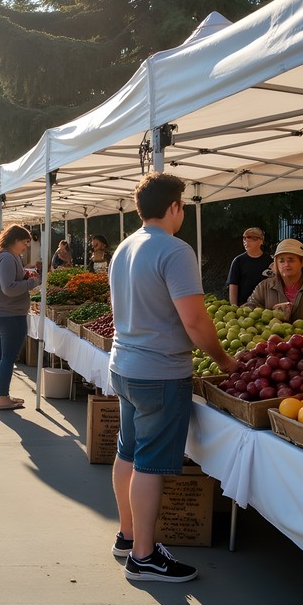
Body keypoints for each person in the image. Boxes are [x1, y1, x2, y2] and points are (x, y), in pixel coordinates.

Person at [109, 173, 238, 583]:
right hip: (159, 372)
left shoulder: (124, 248)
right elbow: (196, 321)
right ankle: (144, 558)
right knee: (149, 463)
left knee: (128, 452)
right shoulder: (176, 250)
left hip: (124, 366)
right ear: (175, 207)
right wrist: (225, 360)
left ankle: (128, 537)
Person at [0, 224, 39, 411]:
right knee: (7, 358)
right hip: (8, 316)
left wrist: (23, 276)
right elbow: (9, 288)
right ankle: (3, 398)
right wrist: (31, 282)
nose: (26, 246)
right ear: (15, 240)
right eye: (25, 242)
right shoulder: (6, 257)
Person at [245, 239, 303, 326]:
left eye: (291, 260)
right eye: (281, 261)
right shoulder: (264, 287)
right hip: (271, 343)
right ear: (276, 264)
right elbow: (250, 310)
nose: (286, 265)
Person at [226, 227, 273, 305]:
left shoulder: (269, 261)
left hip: (264, 308)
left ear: (261, 240)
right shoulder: (238, 261)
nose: (246, 241)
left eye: (251, 238)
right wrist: (234, 307)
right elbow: (233, 285)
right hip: (242, 307)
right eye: (244, 238)